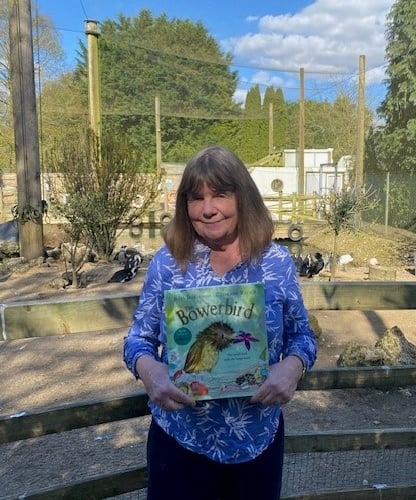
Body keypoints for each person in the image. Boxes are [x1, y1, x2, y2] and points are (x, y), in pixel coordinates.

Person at [123, 145, 317, 500]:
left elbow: (302, 335)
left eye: (220, 195)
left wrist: (293, 367)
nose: (208, 209)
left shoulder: (276, 263)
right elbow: (138, 338)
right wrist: (150, 371)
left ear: (242, 197)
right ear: (184, 206)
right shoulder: (167, 265)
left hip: (257, 441)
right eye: (196, 198)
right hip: (181, 441)